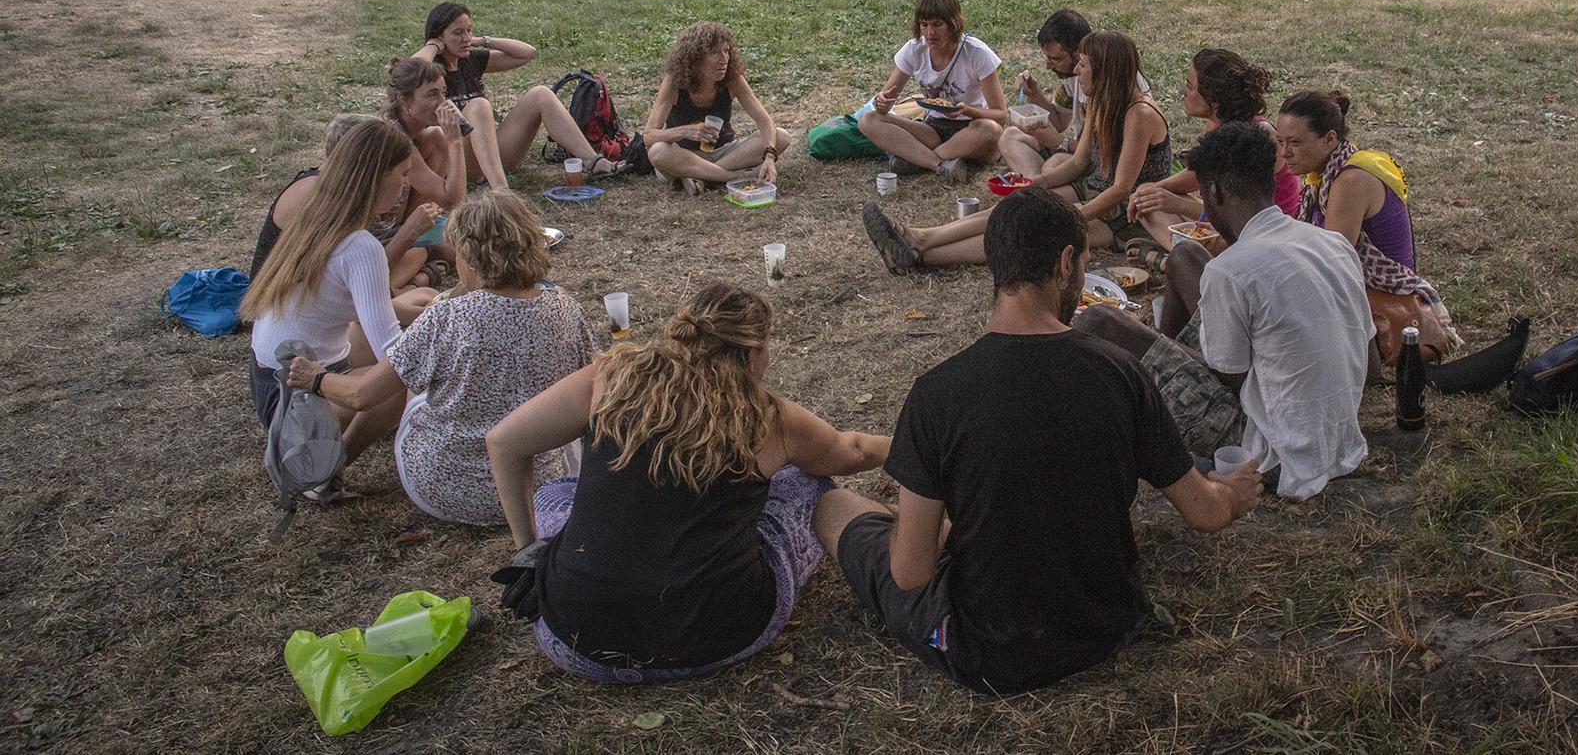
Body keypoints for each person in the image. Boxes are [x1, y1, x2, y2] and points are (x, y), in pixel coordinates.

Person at [813, 188, 1262, 695]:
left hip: (991, 652)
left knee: (831, 506)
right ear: (1067, 263)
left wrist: (915, 524)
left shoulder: (937, 394)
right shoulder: (1121, 372)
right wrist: (1235, 492)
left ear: (993, 264)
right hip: (1106, 626)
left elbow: (911, 573)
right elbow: (1206, 513)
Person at [485, 283, 890, 682]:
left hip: (572, 643)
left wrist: (528, 549)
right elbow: (851, 452)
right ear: (752, 353)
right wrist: (919, 442)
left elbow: (503, 442)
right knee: (808, 481)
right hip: (725, 637)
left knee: (556, 493)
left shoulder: (611, 376)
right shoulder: (769, 417)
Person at [1075, 123, 1373, 499]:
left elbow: (1227, 378)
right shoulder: (1330, 244)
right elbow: (1368, 352)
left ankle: (1120, 411)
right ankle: (1155, 380)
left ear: (1213, 193)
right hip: (1338, 438)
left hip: (1275, 448)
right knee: (1183, 255)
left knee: (1100, 322)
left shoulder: (1231, 270)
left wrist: (1149, 348)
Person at [280, 190, 592, 525]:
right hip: (536, 490)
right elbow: (591, 389)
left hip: (443, 487)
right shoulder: (566, 311)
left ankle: (331, 470)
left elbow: (363, 394)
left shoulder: (446, 318)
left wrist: (315, 379)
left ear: (468, 258)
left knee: (405, 382)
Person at [861, 31, 1170, 272]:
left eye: (1083, 64)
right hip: (1092, 188)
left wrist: (1073, 215)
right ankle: (918, 237)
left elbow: (1121, 189)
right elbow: (1078, 163)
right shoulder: (1101, 100)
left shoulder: (1138, 114)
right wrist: (1038, 186)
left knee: (1029, 236)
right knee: (1019, 206)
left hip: (1126, 215)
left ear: (1104, 71)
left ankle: (920, 256)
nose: (1076, 70)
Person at [241, 119, 436, 470]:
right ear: (376, 177)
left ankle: (312, 447)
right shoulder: (360, 246)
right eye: (403, 173)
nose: (407, 184)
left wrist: (441, 316)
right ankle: (322, 470)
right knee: (394, 388)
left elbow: (361, 310)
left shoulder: (318, 215)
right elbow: (393, 353)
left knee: (414, 304)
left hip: (268, 379)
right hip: (293, 398)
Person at [1273, 90, 1456, 367]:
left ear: (1330, 138)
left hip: (1384, 296)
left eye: (1295, 143)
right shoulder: (1326, 172)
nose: (1285, 153)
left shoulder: (1352, 179)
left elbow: (1331, 263)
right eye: (1280, 141)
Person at [410, 2, 620, 189]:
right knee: (478, 106)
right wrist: (433, 46)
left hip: (488, 154)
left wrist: (481, 41)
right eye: (458, 33)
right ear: (439, 36)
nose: (465, 38)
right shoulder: (431, 72)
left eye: (468, 30)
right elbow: (412, 69)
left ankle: (594, 162)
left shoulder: (470, 60)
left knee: (540, 94)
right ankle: (501, 190)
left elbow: (526, 53)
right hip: (455, 159)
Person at [1125, 48, 1303, 260]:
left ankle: (1182, 261)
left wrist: (1175, 203)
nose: (1183, 91)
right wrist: (1153, 191)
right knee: (1147, 198)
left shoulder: (1255, 137)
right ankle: (1185, 255)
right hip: (1227, 217)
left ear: (1214, 99)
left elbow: (1239, 213)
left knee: (1157, 202)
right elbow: (1194, 176)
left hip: (1262, 234)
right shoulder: (1217, 125)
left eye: (1190, 87)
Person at [251, 114, 449, 296]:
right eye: (402, 174)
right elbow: (352, 280)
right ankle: (411, 286)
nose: (406, 182)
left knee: (419, 250)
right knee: (412, 277)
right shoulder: (321, 199)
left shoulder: (342, 190)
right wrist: (409, 232)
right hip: (284, 300)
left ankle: (408, 287)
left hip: (324, 290)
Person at [858, 0, 1005, 178]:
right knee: (868, 119)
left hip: (970, 128)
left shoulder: (977, 53)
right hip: (933, 129)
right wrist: (881, 102)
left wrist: (968, 110)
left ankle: (916, 159)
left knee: (991, 130)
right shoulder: (914, 50)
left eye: (937, 25)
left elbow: (1000, 114)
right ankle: (938, 164)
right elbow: (884, 103)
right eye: (924, 24)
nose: (930, 33)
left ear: (953, 24)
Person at [633, 21, 791, 195]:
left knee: (781, 136)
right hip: (683, 156)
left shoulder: (732, 79)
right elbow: (649, 136)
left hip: (725, 153)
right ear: (695, 58)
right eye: (714, 53)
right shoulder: (674, 82)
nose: (724, 59)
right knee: (658, 152)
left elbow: (764, 120)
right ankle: (736, 176)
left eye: (726, 51)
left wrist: (769, 156)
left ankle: (702, 176)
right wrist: (686, 131)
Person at [996, 10, 1149, 180]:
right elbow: (1059, 122)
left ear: (1077, 53)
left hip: (1105, 163)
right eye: (1047, 58)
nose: (1048, 66)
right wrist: (1035, 95)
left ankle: (1038, 189)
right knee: (1010, 136)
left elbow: (1104, 153)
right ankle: (1035, 187)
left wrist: (1059, 142)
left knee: (1054, 164)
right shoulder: (1071, 73)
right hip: (1079, 152)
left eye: (1055, 59)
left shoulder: (1113, 81)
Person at [382, 57, 469, 211]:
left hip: (399, 221)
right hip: (378, 232)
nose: (443, 103)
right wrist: (455, 141)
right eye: (433, 95)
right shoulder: (393, 138)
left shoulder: (413, 128)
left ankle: (420, 219)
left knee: (435, 136)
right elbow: (454, 202)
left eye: (443, 93)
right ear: (404, 99)